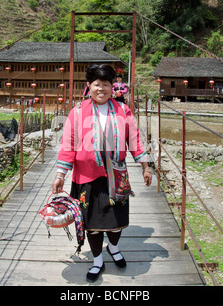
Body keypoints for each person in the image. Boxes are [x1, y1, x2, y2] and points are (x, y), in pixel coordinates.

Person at [52, 64, 152, 282]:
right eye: (97, 84)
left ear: (112, 87)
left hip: (117, 176)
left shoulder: (122, 110)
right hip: (86, 177)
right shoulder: (77, 112)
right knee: (91, 223)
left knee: (117, 219)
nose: (101, 89)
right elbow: (68, 144)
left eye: (105, 84)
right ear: (89, 86)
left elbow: (134, 138)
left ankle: (114, 248)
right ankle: (97, 259)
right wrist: (60, 174)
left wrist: (145, 166)